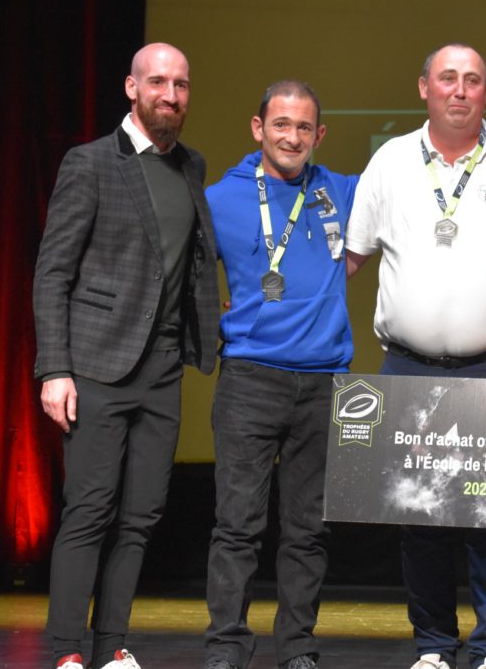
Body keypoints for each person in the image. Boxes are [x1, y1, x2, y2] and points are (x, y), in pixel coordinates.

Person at [346, 43, 486, 669]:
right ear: (423, 87)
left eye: (473, 80)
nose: (460, 90)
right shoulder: (391, 160)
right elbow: (351, 258)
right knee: (418, 513)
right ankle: (433, 646)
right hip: (407, 364)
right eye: (448, 78)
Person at [33, 43, 219, 669]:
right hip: (96, 367)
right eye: (160, 83)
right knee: (90, 511)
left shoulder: (191, 167)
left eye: (182, 85)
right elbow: (53, 271)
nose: (172, 95)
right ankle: (66, 652)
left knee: (140, 516)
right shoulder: (90, 164)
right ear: (132, 88)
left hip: (162, 369)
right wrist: (55, 369)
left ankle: (111, 645)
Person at [202, 80, 357, 669]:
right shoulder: (219, 198)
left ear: (319, 135)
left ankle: (297, 649)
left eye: (304, 127)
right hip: (249, 380)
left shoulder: (341, 191)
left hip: (324, 384)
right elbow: (181, 273)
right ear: (257, 128)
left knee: (307, 531)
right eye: (281, 124)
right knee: (236, 526)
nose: (292, 137)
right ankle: (226, 649)